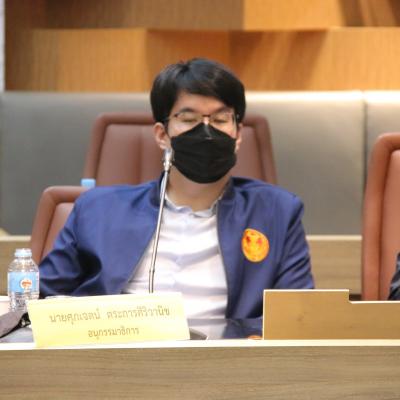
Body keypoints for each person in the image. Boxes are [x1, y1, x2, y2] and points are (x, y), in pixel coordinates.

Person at [39, 58, 314, 318]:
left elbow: (297, 318)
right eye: (189, 119)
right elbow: (41, 303)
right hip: (116, 349)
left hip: (227, 351)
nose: (206, 132)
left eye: (220, 120)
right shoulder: (97, 209)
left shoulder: (277, 212)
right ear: (162, 134)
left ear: (238, 135)